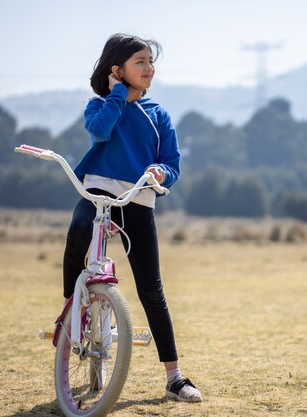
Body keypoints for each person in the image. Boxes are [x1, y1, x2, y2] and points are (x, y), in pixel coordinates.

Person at [62, 33, 202, 402]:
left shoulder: (159, 114)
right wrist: (116, 95)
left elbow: (172, 164)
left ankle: (175, 377)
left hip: (137, 198)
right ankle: (72, 314)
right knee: (77, 230)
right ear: (117, 69)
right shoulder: (100, 105)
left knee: (151, 289)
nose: (149, 68)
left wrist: (159, 172)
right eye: (140, 61)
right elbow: (100, 131)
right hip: (97, 191)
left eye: (150, 62)